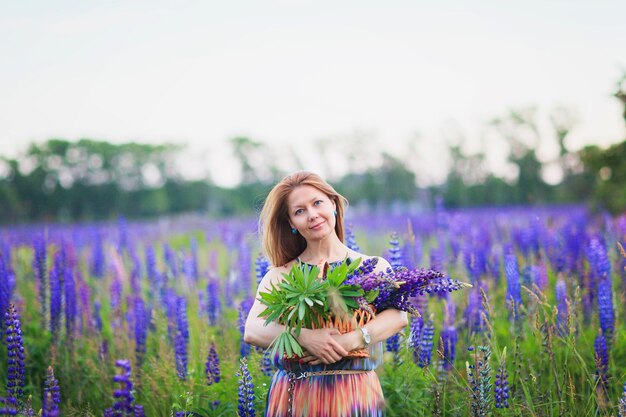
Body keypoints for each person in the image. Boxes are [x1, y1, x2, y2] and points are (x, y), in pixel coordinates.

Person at [244, 171, 408, 417]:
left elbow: (398, 317)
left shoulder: (374, 267)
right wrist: (305, 337)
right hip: (297, 394)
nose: (312, 215)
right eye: (299, 211)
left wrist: (351, 340)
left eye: (317, 203)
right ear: (291, 223)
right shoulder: (281, 274)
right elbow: (253, 330)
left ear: (333, 204)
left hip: (356, 393)